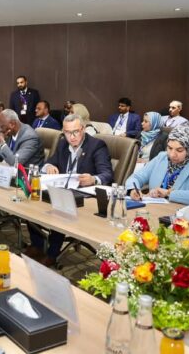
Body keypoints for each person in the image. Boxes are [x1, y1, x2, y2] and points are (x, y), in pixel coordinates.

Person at [28, 114, 114, 266]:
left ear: (83, 129)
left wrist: (93, 179)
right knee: (32, 203)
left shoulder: (96, 145)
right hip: (63, 189)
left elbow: (107, 173)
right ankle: (37, 244)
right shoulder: (63, 144)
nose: (72, 137)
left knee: (61, 209)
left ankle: (52, 254)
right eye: (68, 132)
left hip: (84, 195)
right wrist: (49, 167)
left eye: (76, 132)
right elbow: (49, 162)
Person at [127, 126, 189, 207]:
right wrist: (133, 189)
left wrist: (168, 193)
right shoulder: (162, 157)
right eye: (169, 148)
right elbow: (136, 177)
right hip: (154, 209)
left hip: (181, 215)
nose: (172, 155)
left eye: (179, 150)